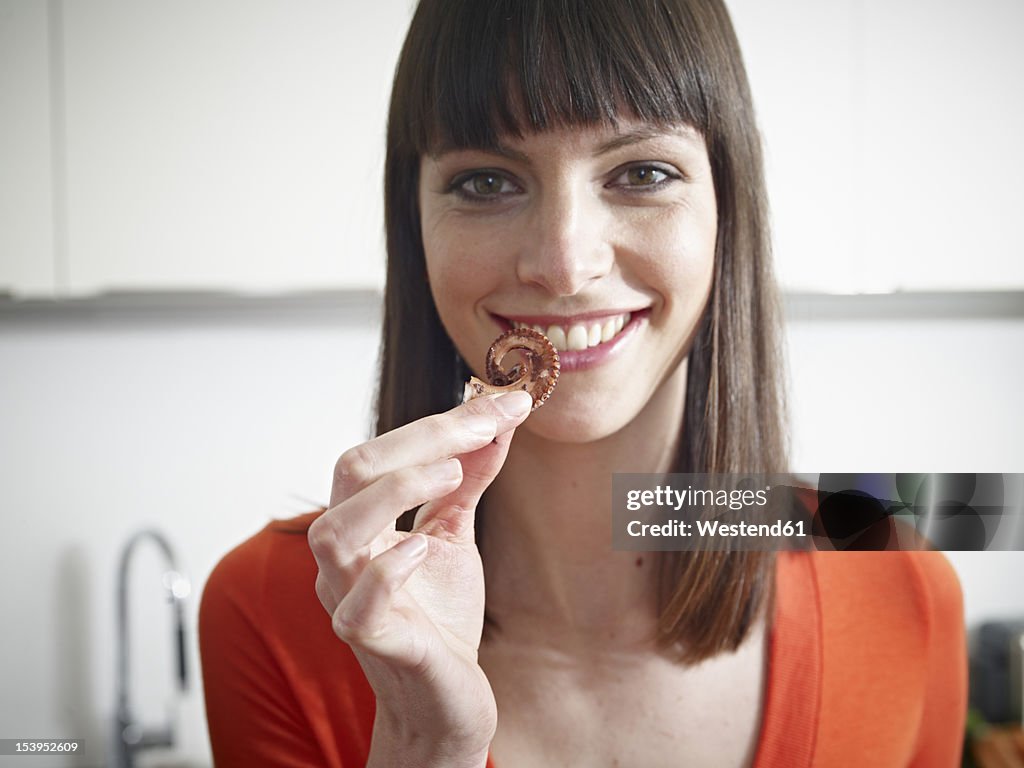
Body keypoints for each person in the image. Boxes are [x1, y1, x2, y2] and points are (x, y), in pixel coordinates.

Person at [199, 1, 967, 765]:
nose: (565, 263)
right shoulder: (267, 608)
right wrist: (424, 745)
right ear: (415, 224)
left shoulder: (898, 575)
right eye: (487, 182)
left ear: (726, 207)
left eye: (642, 172)